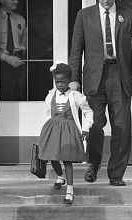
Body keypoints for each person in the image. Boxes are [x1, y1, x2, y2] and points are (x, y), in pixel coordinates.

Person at [69, 0, 132, 186]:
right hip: (94, 78)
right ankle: (93, 164)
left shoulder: (130, 15)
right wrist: (73, 79)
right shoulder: (84, 16)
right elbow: (76, 49)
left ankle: (116, 174)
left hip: (120, 76)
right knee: (94, 124)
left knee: (121, 126)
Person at [38, 63, 93, 204]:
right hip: (53, 128)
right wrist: (44, 131)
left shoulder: (76, 96)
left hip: (69, 130)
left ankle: (70, 189)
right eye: (57, 82)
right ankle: (60, 176)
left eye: (63, 82)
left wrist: (86, 127)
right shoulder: (51, 96)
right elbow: (48, 113)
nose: (60, 85)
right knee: (52, 156)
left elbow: (88, 112)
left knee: (67, 159)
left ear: (69, 81)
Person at [0, 0, 27, 100]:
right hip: (1, 64)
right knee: (5, 95)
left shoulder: (20, 19)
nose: (16, 1)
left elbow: (24, 41)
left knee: (20, 95)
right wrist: (5, 57)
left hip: (18, 62)